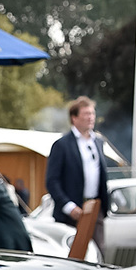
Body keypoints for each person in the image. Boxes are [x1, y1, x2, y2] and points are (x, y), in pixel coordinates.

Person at [46, 96, 109, 252]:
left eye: (92, 114)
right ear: (74, 118)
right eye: (86, 114)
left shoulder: (98, 142)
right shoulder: (62, 145)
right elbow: (52, 181)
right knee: (73, 257)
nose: (91, 118)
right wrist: (69, 207)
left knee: (97, 255)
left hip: (95, 209)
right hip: (71, 213)